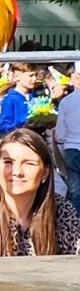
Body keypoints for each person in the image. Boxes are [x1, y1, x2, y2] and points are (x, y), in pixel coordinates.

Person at [0, 127, 80, 257]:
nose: (17, 172)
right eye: (8, 162)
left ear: (45, 172)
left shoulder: (62, 210)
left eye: (29, 164)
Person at [54, 67, 80, 211]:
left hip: (71, 150)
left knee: (75, 192)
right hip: (71, 148)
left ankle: (76, 221)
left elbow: (60, 134)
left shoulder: (66, 102)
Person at [0, 62, 42, 135]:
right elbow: (3, 128)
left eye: (35, 75)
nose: (34, 79)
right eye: (30, 76)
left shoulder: (35, 97)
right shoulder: (10, 99)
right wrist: (22, 126)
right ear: (17, 77)